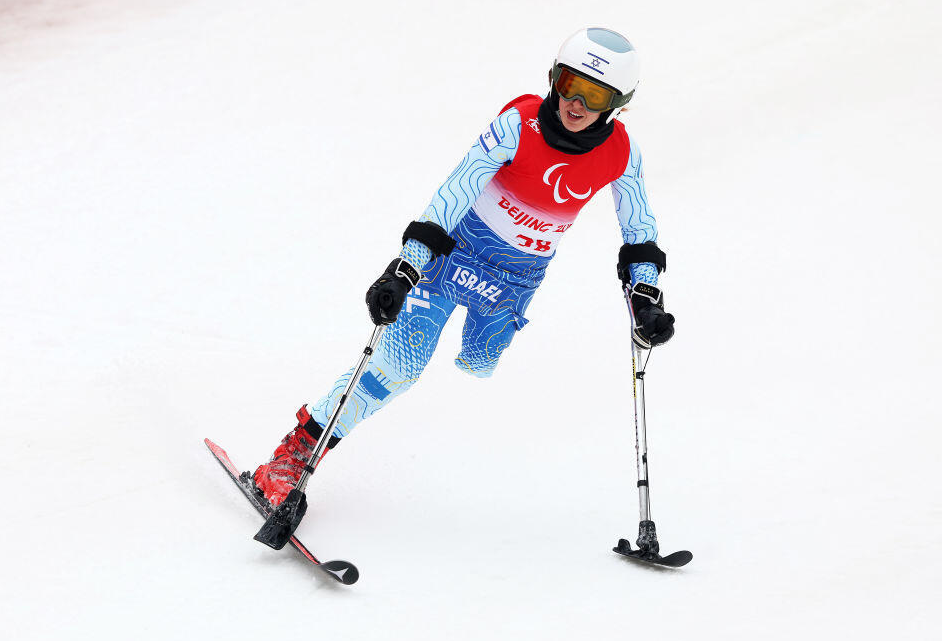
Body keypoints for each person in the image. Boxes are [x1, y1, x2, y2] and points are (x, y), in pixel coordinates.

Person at [249, 27, 675, 510]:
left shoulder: (621, 153)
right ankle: (292, 458)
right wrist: (406, 269)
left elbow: (640, 232)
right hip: (457, 254)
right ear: (553, 78)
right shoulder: (519, 123)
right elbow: (456, 188)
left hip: (515, 280)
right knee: (398, 366)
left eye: (593, 93)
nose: (574, 102)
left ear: (617, 102)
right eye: (567, 83)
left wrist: (646, 297)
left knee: (478, 363)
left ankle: (307, 447)